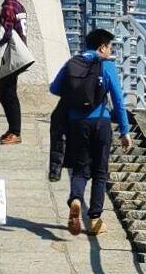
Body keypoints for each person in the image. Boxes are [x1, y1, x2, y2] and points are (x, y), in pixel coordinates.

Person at [50, 26, 129, 238]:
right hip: (101, 122)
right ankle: (94, 219)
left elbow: (54, 89)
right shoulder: (106, 66)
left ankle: (76, 198)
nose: (110, 51)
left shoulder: (72, 63)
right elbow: (119, 101)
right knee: (100, 172)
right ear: (102, 47)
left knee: (81, 169)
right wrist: (125, 131)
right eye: (110, 47)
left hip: (77, 123)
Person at [0, 0, 29, 143]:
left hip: (10, 54)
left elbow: (6, 30)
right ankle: (12, 129)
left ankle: (15, 131)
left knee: (6, 92)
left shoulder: (8, 6)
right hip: (19, 52)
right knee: (7, 91)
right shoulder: (19, 6)